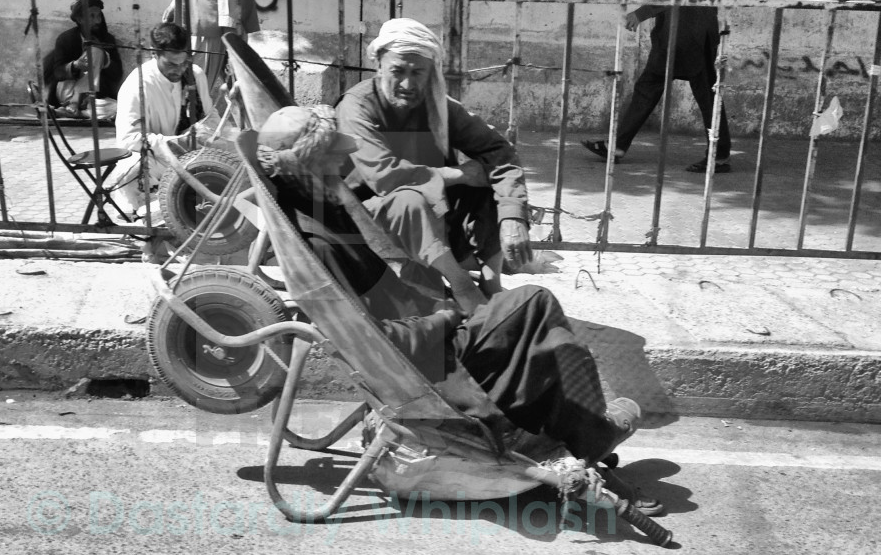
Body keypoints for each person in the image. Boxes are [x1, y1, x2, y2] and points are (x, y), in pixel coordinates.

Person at [256, 105, 663, 515]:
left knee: (552, 342)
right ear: (310, 164)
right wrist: (449, 315)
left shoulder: (316, 201)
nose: (345, 160)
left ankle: (586, 435)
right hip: (427, 364)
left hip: (430, 336)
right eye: (333, 155)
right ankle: (593, 438)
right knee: (534, 304)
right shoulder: (320, 241)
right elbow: (375, 340)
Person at [336, 18, 533, 314]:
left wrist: (512, 216)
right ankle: (461, 285)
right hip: (366, 219)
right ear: (378, 64)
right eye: (398, 71)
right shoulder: (357, 107)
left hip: (433, 213)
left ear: (431, 72)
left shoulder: (439, 105)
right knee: (410, 199)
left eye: (418, 72)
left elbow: (499, 151)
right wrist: (457, 175)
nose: (408, 84)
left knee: (486, 178)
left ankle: (491, 283)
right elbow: (383, 176)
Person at [581, 0, 731, 173]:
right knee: (648, 86)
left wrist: (642, 13)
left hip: (693, 32)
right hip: (672, 30)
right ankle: (617, 146)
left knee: (706, 93)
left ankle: (721, 154)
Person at [108, 22, 219, 216]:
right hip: (156, 160)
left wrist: (206, 133)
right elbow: (129, 139)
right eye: (170, 65)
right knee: (131, 169)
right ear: (154, 54)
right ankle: (146, 216)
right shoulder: (137, 85)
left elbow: (211, 119)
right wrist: (174, 144)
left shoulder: (194, 75)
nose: (178, 70)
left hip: (193, 156)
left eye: (183, 63)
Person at [41, 0, 124, 120]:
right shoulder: (65, 39)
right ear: (80, 19)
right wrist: (75, 65)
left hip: (92, 97)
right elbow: (58, 72)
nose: (97, 21)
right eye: (92, 16)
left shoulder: (107, 40)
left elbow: (117, 74)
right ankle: (75, 102)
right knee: (96, 50)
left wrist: (105, 62)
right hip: (67, 92)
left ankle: (69, 113)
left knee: (120, 108)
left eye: (99, 16)